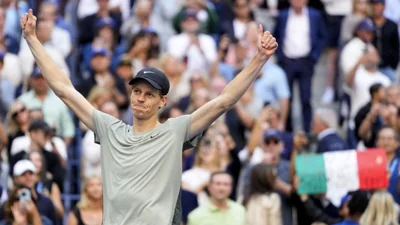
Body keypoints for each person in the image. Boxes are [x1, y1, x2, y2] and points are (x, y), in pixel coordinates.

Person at [20, 9, 278, 225]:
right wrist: (32, 39)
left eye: (149, 94)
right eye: (136, 91)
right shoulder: (110, 129)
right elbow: (65, 90)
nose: (140, 98)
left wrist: (259, 58)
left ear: (162, 101)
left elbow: (224, 101)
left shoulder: (174, 131)